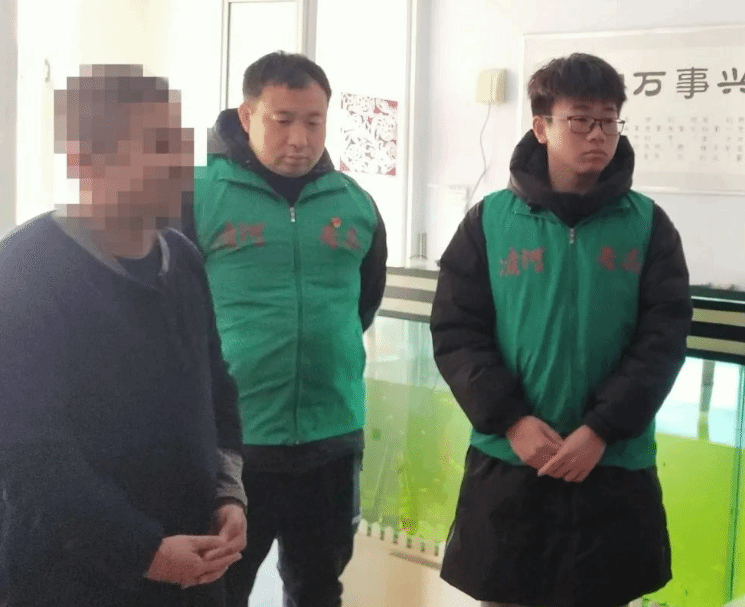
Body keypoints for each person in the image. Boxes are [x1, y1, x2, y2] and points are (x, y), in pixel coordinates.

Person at [429, 53, 693, 607]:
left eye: (609, 120)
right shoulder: (489, 221)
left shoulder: (648, 225)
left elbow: (663, 341)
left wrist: (600, 429)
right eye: (580, 119)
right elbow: (457, 333)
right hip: (512, 461)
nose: (598, 134)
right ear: (541, 126)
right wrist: (511, 421)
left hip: (611, 464)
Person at [0, 64, 248, 607]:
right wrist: (144, 552)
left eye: (181, 142)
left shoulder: (182, 258)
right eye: (159, 146)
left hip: (194, 570)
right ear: (84, 161)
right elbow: (29, 455)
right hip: (74, 579)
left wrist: (229, 496)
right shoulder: (23, 271)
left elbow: (217, 387)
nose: (183, 163)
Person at [185, 52, 387, 607]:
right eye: (283, 120)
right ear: (246, 116)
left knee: (318, 590)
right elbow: (165, 314)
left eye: (314, 121)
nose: (300, 138)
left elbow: (362, 305)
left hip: (331, 438)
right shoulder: (195, 195)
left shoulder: (355, 204)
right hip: (232, 443)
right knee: (217, 590)